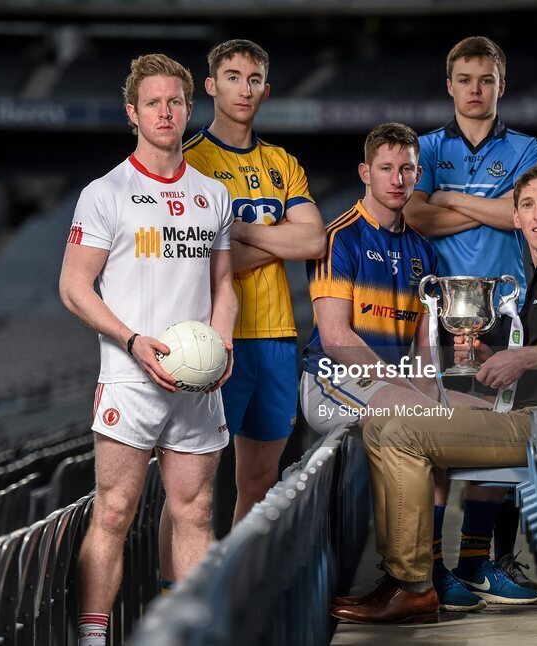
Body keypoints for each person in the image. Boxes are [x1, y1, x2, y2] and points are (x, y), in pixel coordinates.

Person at [331, 162, 537, 625]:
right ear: (515, 219)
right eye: (527, 206)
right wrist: (492, 355)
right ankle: (405, 574)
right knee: (383, 423)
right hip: (526, 414)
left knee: (402, 432)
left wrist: (524, 358)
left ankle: (413, 585)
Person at [59, 54, 236, 646]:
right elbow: (73, 286)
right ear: (133, 112)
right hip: (131, 377)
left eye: (176, 102)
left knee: (195, 512)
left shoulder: (213, 194)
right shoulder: (105, 193)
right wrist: (133, 342)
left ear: (190, 109)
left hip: (197, 381)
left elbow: (224, 288)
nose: (166, 112)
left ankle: (189, 635)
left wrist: (225, 344)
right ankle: (92, 637)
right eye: (154, 103)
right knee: (113, 512)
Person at [303, 123, 496, 620]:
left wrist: (437, 390)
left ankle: (425, 575)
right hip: (331, 381)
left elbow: (423, 347)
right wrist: (414, 390)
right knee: (422, 416)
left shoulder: (422, 252)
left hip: (394, 385)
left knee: (475, 414)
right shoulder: (337, 238)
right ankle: (406, 584)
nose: (398, 179)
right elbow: (338, 338)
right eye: (386, 168)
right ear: (366, 173)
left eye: (407, 168)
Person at [405, 35, 537, 606]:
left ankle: (482, 562)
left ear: (501, 85)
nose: (475, 89)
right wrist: (486, 207)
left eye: (486, 79)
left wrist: (452, 201)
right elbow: (415, 215)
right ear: (449, 86)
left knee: (499, 439)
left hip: (506, 315)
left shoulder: (527, 147)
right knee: (436, 439)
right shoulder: (426, 147)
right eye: (465, 79)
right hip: (438, 314)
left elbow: (523, 217)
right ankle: (441, 568)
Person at [180, 39, 326, 542]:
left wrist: (241, 232)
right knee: (192, 490)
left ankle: (236, 589)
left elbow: (313, 238)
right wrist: (278, 239)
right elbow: (201, 261)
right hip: (214, 339)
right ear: (212, 85)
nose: (245, 88)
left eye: (255, 79)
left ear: (267, 90)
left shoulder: (282, 163)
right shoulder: (189, 161)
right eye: (234, 76)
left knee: (261, 480)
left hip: (277, 339)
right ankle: (176, 597)